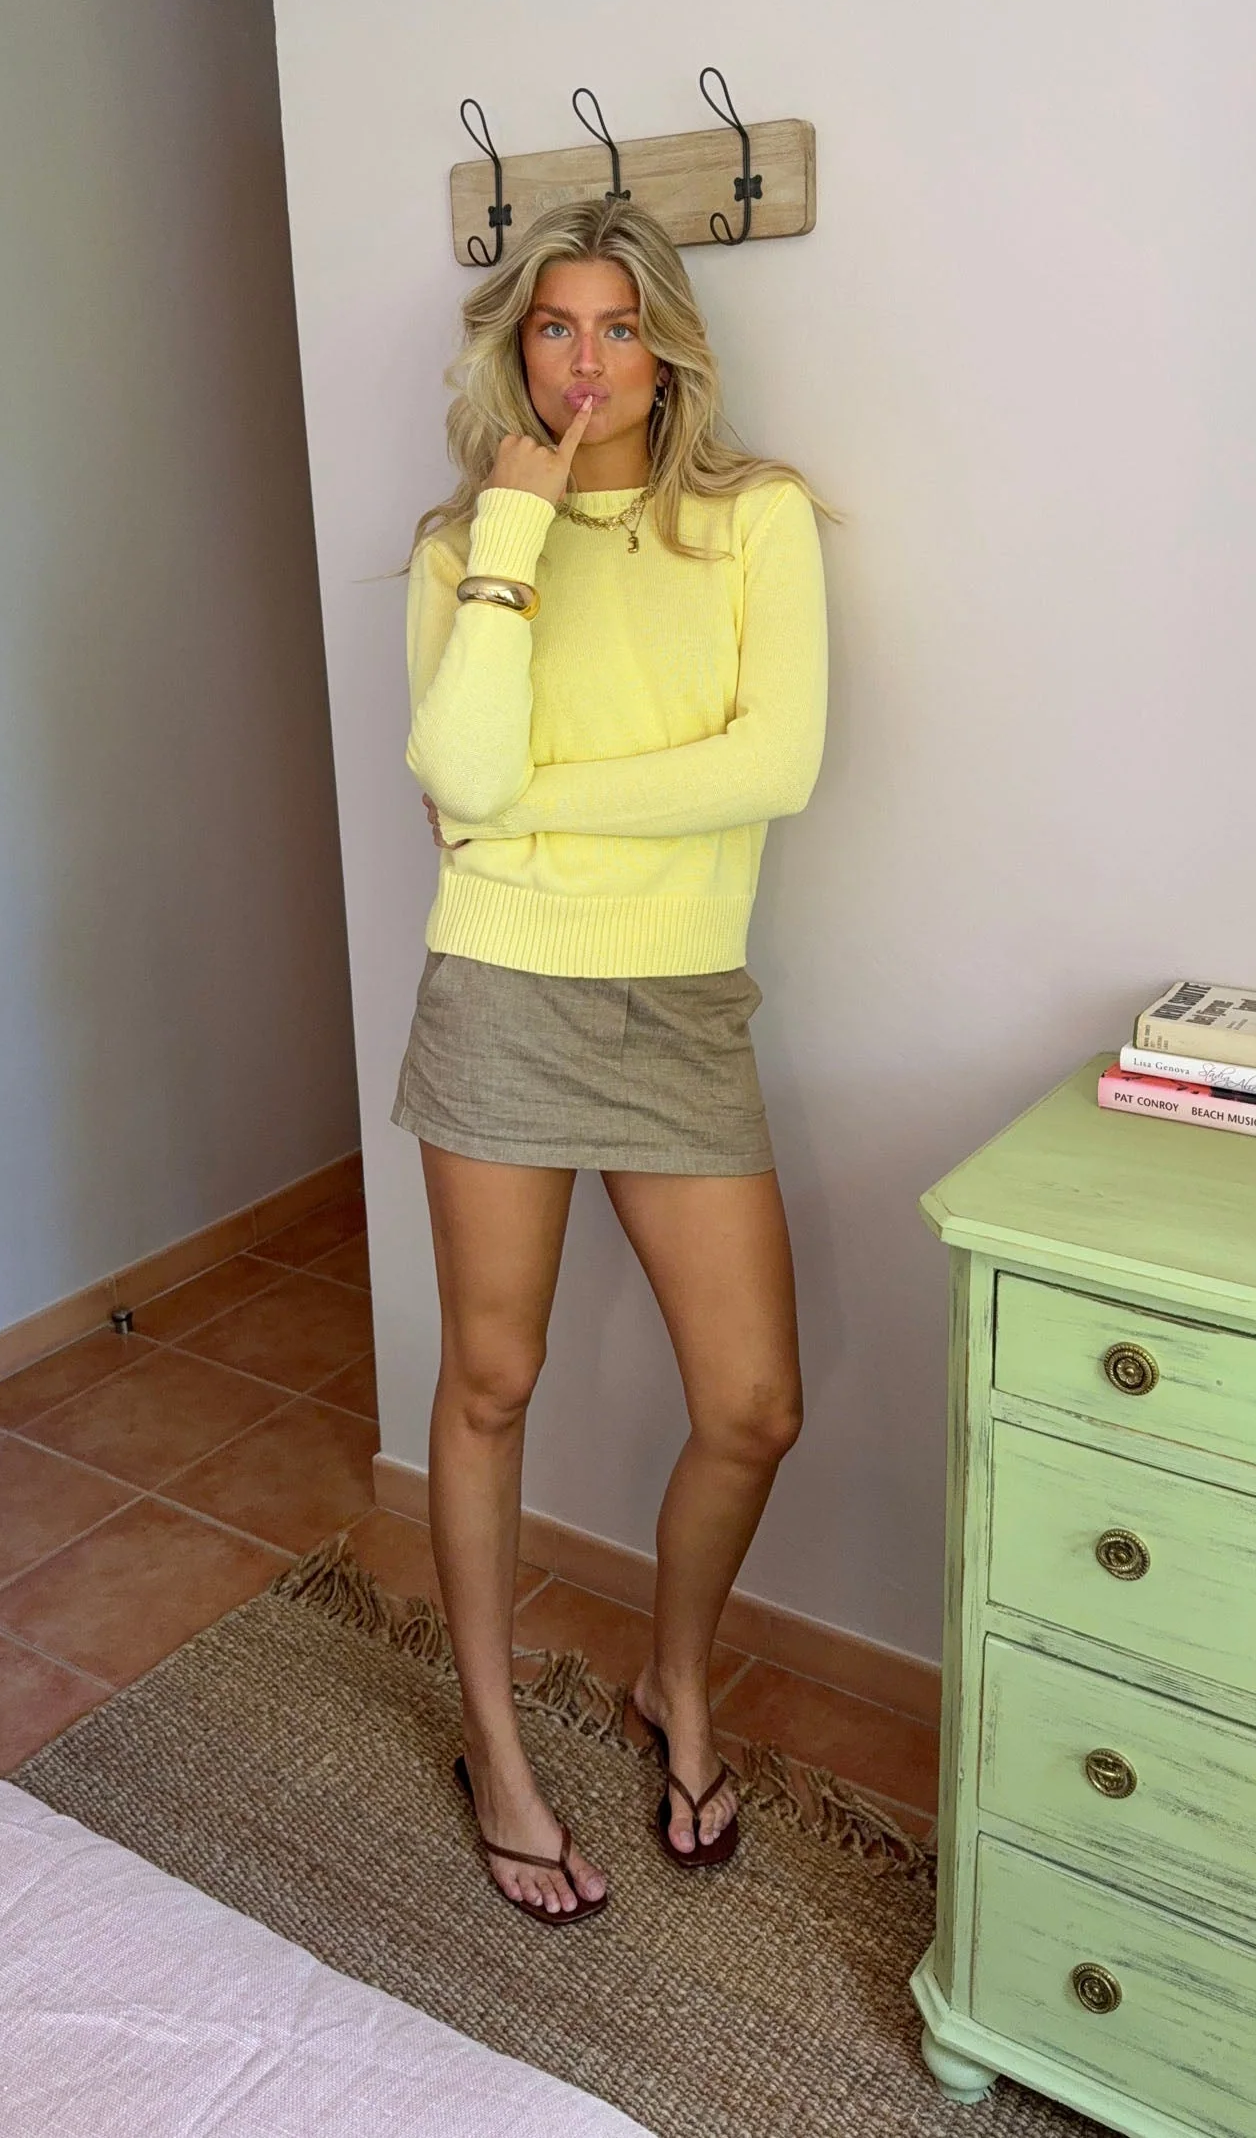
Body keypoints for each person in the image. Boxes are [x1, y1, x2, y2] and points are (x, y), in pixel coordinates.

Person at [394, 197, 828, 1924]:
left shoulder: (752, 520)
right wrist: (513, 527)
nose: (588, 360)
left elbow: (771, 766)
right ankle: (495, 1752)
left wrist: (526, 811)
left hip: (676, 996)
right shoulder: (460, 545)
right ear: (517, 350)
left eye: (621, 326)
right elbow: (452, 763)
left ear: (668, 349)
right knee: (488, 1385)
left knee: (754, 1405)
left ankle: (675, 1683)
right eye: (555, 327)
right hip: (500, 987)